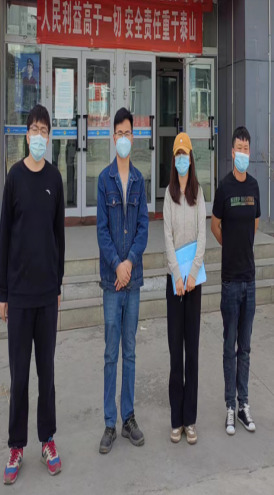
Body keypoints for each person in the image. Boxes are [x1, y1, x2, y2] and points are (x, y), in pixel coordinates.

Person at [0, 104, 65, 485]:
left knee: (46, 373)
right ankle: (16, 445)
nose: (39, 136)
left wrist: (58, 284)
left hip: (46, 293)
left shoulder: (55, 178)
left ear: (50, 137)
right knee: (19, 375)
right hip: (20, 295)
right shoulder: (14, 178)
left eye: (44, 131)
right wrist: (3, 292)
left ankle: (47, 440)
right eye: (34, 130)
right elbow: (5, 236)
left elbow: (59, 236)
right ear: (27, 135)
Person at [97, 107, 149, 454]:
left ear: (134, 136)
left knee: (129, 351)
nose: (124, 138)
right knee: (110, 354)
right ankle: (109, 422)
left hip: (133, 279)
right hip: (111, 282)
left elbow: (144, 228)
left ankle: (128, 417)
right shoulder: (104, 180)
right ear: (112, 137)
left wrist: (129, 263)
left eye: (128, 133)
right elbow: (102, 231)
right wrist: (117, 265)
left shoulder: (140, 181)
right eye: (119, 133)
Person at [211, 126, 260, 437]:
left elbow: (255, 223)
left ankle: (244, 405)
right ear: (232, 152)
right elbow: (215, 225)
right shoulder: (224, 187)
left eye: (246, 149)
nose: (242, 153)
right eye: (238, 149)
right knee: (229, 346)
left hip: (249, 279)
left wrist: (242, 245)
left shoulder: (254, 186)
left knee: (246, 347)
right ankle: (230, 405)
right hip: (230, 281)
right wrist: (229, 245)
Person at [164, 133, 206, 445]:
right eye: (177, 154)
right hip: (175, 283)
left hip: (194, 282)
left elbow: (203, 236)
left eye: (185, 154)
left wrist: (191, 275)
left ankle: (190, 420)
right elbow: (166, 236)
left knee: (192, 352)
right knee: (175, 354)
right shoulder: (168, 194)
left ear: (191, 158)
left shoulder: (198, 193)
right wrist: (177, 276)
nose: (181, 159)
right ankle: (175, 420)